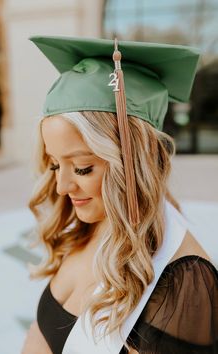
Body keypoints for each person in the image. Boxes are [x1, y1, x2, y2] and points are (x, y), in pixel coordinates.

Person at [22, 36, 218, 354]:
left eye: (83, 168)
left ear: (134, 160)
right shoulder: (89, 226)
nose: (61, 187)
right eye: (56, 165)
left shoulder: (181, 282)